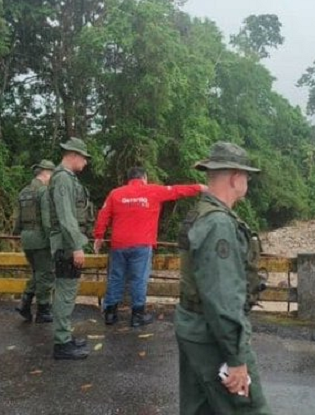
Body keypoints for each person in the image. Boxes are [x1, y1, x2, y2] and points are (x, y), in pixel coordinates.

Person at [174, 142, 272, 414]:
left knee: (200, 408)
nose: (247, 181)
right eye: (246, 176)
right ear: (235, 177)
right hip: (212, 336)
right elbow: (223, 297)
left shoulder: (201, 214)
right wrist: (236, 358)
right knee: (249, 408)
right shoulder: (218, 224)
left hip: (193, 328)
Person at [93, 166, 206, 327]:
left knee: (115, 277)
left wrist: (99, 236)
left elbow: (103, 215)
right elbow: (176, 191)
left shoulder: (116, 193)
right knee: (139, 279)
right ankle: (137, 316)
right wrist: (199, 187)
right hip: (141, 244)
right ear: (144, 178)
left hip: (118, 244)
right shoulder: (152, 190)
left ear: (129, 179)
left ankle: (110, 314)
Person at [48, 138, 94, 360]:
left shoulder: (65, 178)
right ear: (73, 155)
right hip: (67, 245)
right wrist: (76, 246)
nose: (85, 162)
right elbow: (66, 217)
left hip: (67, 242)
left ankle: (64, 336)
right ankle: (62, 343)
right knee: (65, 292)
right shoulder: (63, 179)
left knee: (67, 290)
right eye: (84, 158)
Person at [14, 159, 57, 323]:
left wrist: (18, 233)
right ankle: (43, 311)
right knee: (45, 274)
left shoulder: (24, 191)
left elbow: (18, 219)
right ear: (46, 173)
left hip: (27, 237)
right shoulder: (43, 191)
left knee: (37, 272)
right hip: (40, 239)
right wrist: (52, 239)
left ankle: (25, 305)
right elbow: (46, 220)